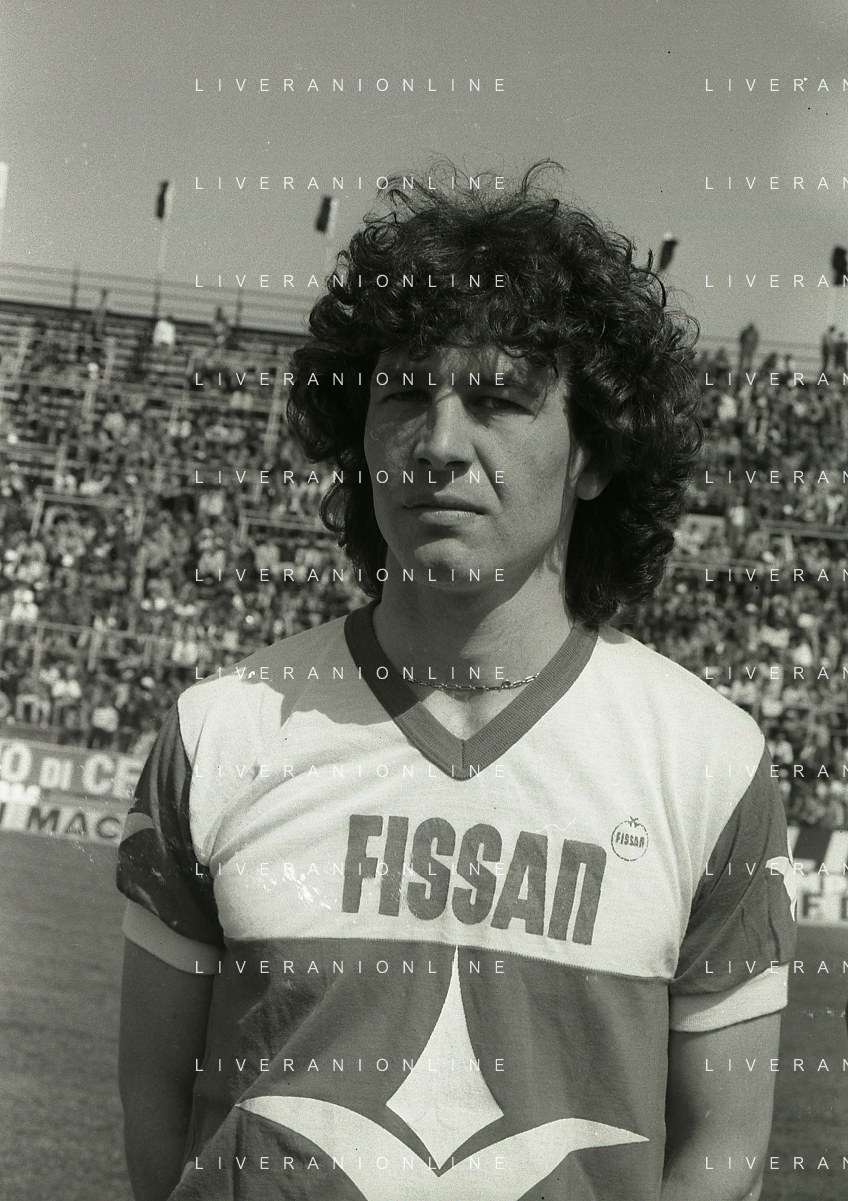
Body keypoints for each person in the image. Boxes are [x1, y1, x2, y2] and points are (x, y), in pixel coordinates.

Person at [117, 165, 796, 1201]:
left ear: (593, 455)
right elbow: (155, 1099)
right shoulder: (218, 735)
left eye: (496, 399)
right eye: (403, 394)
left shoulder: (709, 765)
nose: (438, 444)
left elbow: (723, 1148)